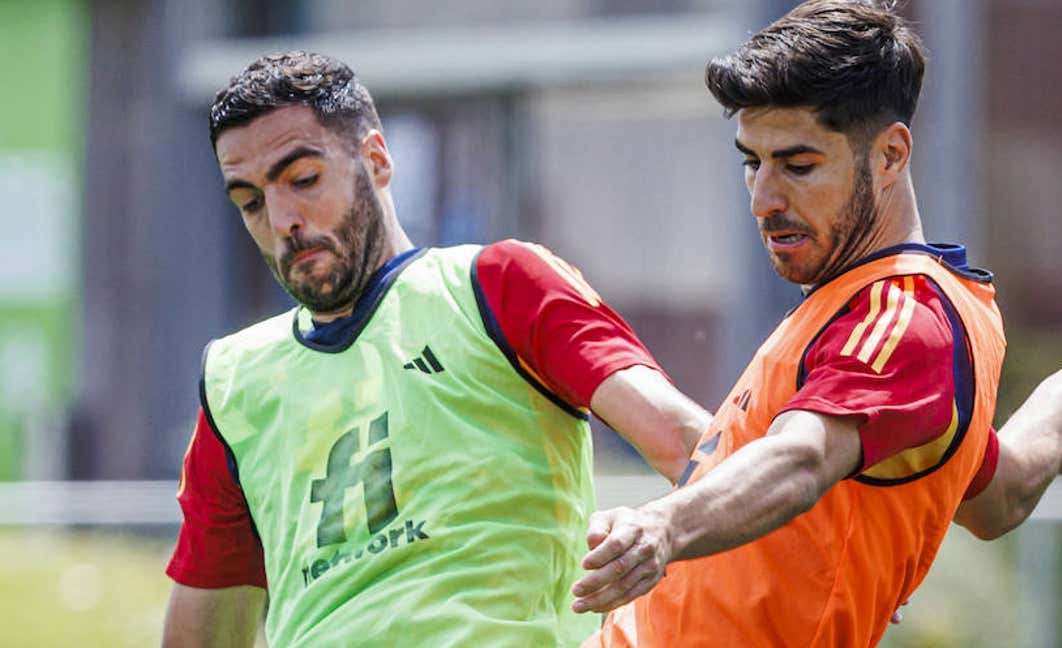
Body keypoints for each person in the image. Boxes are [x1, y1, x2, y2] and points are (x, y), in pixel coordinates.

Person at [571, 2, 1062, 646]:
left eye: (799, 165)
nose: (763, 200)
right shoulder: (867, 315)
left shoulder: (902, 319)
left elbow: (802, 457)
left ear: (891, 155)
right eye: (752, 163)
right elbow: (999, 496)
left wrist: (664, 527)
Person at [159, 52, 714, 647]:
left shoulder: (500, 285)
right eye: (249, 201)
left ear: (375, 161)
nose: (281, 220)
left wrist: (662, 530)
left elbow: (697, 448)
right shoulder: (233, 382)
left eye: (302, 180)